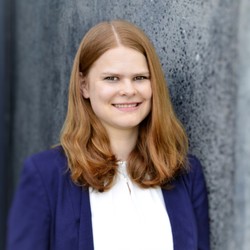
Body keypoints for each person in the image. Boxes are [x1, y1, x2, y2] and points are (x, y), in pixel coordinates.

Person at [7, 20, 210, 250]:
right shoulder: (45, 175)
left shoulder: (186, 174)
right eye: (111, 78)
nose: (128, 90)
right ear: (83, 85)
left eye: (140, 77)